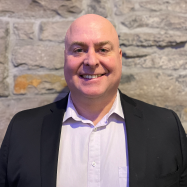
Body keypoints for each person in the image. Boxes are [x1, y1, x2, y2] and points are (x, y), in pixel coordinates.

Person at [0, 14, 187, 187]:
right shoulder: (22, 130)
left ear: (119, 58)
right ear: (65, 58)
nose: (91, 61)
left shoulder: (165, 127)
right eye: (79, 50)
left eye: (103, 49)